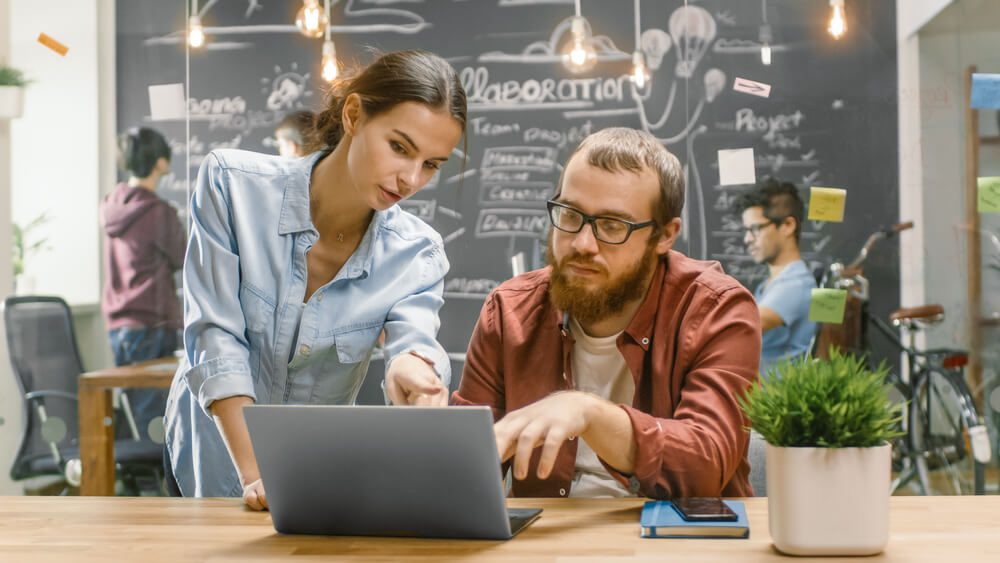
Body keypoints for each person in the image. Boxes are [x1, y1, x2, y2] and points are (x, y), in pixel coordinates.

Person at [164, 50, 467, 508]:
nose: (410, 178)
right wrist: (257, 475)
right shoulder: (232, 185)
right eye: (400, 147)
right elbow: (215, 338)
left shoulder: (417, 252)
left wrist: (413, 369)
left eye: (431, 164)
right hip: (210, 455)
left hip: (310, 474)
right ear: (353, 114)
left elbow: (415, 340)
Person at [452, 128, 760, 499]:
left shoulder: (717, 309)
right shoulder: (510, 311)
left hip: (675, 545)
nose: (582, 243)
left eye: (612, 226)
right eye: (570, 215)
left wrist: (589, 413)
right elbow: (464, 467)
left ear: (664, 235)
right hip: (548, 544)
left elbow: (705, 466)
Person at [101, 127, 186, 442]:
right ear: (160, 163)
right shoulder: (159, 213)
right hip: (151, 321)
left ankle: (142, 483)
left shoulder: (111, 204)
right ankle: (156, 487)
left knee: (137, 409)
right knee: (156, 418)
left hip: (118, 323)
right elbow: (184, 257)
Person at [737, 178, 817, 378]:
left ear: (788, 225)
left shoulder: (797, 283)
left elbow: (747, 324)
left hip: (780, 406)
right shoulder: (769, 286)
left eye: (755, 229)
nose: (747, 239)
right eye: (746, 231)